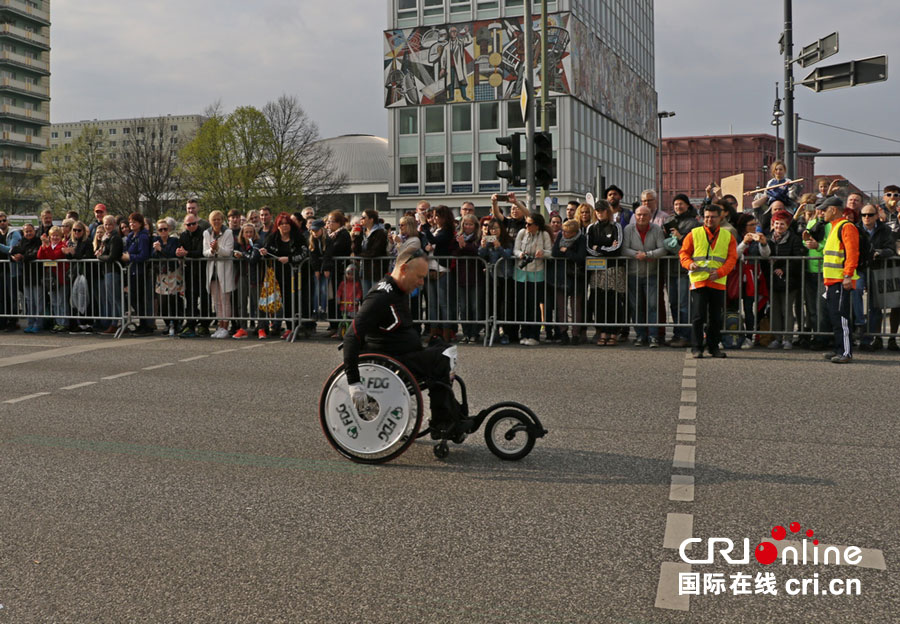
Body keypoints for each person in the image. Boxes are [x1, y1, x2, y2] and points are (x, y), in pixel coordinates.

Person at [343, 246, 461, 433]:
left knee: (441, 344)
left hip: (403, 354)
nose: (422, 283)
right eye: (419, 277)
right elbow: (352, 335)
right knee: (443, 357)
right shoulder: (380, 298)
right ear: (404, 269)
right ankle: (443, 421)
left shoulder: (399, 291)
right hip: (392, 362)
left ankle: (449, 413)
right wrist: (354, 382)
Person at [679, 204, 738, 358]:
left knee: (715, 317)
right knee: (698, 316)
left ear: (720, 217)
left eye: (712, 217)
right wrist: (689, 264)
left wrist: (720, 272)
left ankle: (713, 347)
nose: (709, 220)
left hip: (718, 281)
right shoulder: (694, 233)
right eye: (706, 217)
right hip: (699, 281)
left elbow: (732, 258)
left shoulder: (728, 236)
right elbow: (684, 253)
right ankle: (696, 347)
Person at [621, 205, 667, 347]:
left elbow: (663, 249)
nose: (641, 217)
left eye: (645, 215)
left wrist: (648, 255)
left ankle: (653, 336)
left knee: (652, 306)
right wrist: (637, 255)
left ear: (649, 216)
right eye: (639, 215)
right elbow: (624, 249)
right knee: (636, 306)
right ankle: (640, 335)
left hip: (651, 273)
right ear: (635, 216)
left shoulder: (656, 229)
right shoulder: (628, 229)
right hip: (633, 274)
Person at [821, 200, 859, 363]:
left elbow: (852, 253)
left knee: (841, 317)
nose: (822, 213)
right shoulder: (835, 227)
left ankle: (846, 352)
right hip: (832, 281)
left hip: (840, 280)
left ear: (833, 209)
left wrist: (847, 275)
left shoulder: (846, 226)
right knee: (835, 317)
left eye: (824, 210)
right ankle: (839, 348)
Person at [260, 212, 308, 339]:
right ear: (278, 226)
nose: (284, 226)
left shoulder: (298, 237)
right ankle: (289, 327)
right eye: (281, 224)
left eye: (287, 223)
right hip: (280, 275)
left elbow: (304, 253)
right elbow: (267, 251)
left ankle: (299, 326)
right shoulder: (273, 237)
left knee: (298, 301)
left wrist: (289, 259)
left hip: (297, 274)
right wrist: (264, 252)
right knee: (286, 302)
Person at [663, 194, 700, 348]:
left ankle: (686, 335)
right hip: (671, 269)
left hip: (684, 270)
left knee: (684, 304)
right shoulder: (669, 220)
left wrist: (680, 237)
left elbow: (695, 243)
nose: (678, 207)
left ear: (687, 205)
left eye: (681, 204)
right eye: (676, 204)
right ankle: (677, 334)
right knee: (673, 303)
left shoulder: (693, 223)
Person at [586, 200, 624, 346]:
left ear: (608, 211)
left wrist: (599, 248)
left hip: (614, 269)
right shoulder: (591, 227)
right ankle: (602, 332)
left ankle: (613, 333)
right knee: (598, 302)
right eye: (597, 210)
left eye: (602, 210)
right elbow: (589, 248)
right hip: (597, 270)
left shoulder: (616, 226)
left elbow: (617, 248)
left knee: (614, 302)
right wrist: (605, 249)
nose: (600, 213)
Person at [858, 204, 895, 350]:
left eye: (870, 214)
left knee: (875, 306)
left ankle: (870, 339)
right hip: (859, 269)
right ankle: (859, 329)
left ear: (876, 216)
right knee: (856, 294)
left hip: (877, 270)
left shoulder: (885, 229)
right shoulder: (855, 228)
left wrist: (880, 252)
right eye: (864, 215)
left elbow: (891, 249)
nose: (866, 217)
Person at [766, 210, 805, 349]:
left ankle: (788, 338)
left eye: (782, 224)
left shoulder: (794, 239)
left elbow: (797, 259)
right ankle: (777, 338)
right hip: (773, 279)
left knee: (787, 309)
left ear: (787, 225)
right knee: (775, 310)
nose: (779, 227)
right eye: (776, 223)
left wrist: (784, 269)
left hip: (789, 280)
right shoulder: (768, 238)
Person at [513, 213, 553, 346]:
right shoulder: (522, 233)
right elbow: (515, 249)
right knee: (522, 305)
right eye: (526, 223)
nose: (527, 226)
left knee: (534, 305)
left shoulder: (544, 235)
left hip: (537, 273)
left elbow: (550, 252)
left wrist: (543, 253)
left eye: (529, 224)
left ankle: (534, 335)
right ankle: (524, 333)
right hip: (521, 273)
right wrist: (520, 254)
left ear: (537, 225)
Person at [420, 205, 458, 342]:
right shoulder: (435, 229)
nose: (434, 218)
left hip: (442, 270)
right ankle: (433, 332)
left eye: (437, 216)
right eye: (433, 216)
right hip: (430, 269)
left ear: (444, 217)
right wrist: (426, 245)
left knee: (444, 304)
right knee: (431, 304)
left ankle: (446, 332)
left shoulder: (447, 231)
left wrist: (424, 224)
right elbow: (427, 240)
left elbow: (434, 240)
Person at [550, 218, 588, 344]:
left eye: (567, 232)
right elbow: (555, 253)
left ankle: (575, 334)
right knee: (561, 306)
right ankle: (563, 332)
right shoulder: (560, 236)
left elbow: (580, 257)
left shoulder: (581, 239)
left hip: (576, 276)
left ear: (574, 232)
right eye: (563, 231)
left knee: (576, 306)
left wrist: (566, 251)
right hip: (561, 276)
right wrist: (569, 255)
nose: (564, 233)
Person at [478, 218, 515, 344]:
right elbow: (481, 255)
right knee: (492, 305)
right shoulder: (488, 240)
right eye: (491, 229)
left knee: (505, 307)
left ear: (501, 229)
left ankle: (506, 333)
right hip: (492, 277)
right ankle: (491, 332)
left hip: (505, 277)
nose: (493, 231)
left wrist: (498, 247)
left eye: (496, 228)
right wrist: (483, 246)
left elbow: (508, 255)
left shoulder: (508, 241)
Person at [176, 214, 211, 337]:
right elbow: (180, 249)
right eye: (188, 224)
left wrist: (187, 253)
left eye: (193, 223)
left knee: (204, 298)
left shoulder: (204, 233)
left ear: (197, 223)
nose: (191, 226)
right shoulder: (183, 235)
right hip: (189, 271)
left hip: (202, 270)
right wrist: (179, 252)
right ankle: (190, 324)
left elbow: (202, 251)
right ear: (185, 225)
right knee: (190, 298)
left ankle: (204, 325)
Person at [203, 210, 236, 339]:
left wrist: (217, 248)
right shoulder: (206, 233)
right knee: (216, 301)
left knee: (225, 300)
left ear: (222, 220)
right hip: (212, 271)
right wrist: (212, 250)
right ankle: (220, 326)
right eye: (214, 219)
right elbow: (205, 252)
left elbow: (228, 252)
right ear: (210, 221)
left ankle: (225, 326)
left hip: (224, 270)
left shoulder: (228, 232)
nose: (216, 222)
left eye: (218, 219)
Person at [122, 212, 155, 335]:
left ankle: (145, 325)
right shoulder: (131, 236)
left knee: (140, 299)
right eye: (130, 222)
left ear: (140, 223)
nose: (131, 224)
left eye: (134, 222)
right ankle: (142, 323)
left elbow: (144, 255)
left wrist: (130, 257)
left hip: (140, 271)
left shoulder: (143, 237)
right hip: (132, 271)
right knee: (133, 298)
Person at [454, 213, 483, 343]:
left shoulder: (479, 237)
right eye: (466, 224)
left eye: (471, 224)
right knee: (464, 307)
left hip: (476, 277)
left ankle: (474, 333)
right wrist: (461, 246)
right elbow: (454, 252)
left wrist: (465, 246)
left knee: (475, 306)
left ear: (475, 225)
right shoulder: (458, 237)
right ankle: (466, 333)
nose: (468, 226)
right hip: (462, 277)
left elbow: (478, 251)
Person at [63, 220, 96, 333]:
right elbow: (70, 258)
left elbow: (88, 256)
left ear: (83, 231)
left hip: (85, 273)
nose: (76, 232)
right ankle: (77, 323)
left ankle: (88, 323)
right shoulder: (70, 242)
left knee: (85, 297)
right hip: (74, 273)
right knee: (74, 298)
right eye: (74, 230)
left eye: (79, 230)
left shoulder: (87, 242)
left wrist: (74, 253)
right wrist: (68, 253)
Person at [152, 219, 183, 336]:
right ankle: (167, 323)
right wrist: (156, 250)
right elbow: (152, 256)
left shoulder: (174, 240)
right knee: (162, 301)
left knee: (174, 300)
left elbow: (172, 254)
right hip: (161, 274)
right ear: (158, 231)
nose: (163, 231)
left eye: (165, 229)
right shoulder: (155, 240)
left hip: (173, 273)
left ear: (169, 229)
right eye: (161, 229)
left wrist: (161, 249)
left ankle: (177, 323)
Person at [324, 210, 352, 338]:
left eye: (332, 221)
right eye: (328, 221)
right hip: (332, 270)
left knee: (338, 298)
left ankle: (339, 326)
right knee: (331, 298)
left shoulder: (343, 234)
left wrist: (326, 245)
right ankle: (333, 325)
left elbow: (335, 249)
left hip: (340, 271)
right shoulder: (329, 235)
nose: (329, 224)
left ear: (339, 223)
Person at [94, 215, 124, 334]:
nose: (107, 227)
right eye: (106, 224)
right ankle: (114, 323)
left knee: (116, 299)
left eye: (110, 224)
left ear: (114, 225)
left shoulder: (115, 238)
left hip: (113, 271)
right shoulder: (107, 237)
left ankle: (119, 323)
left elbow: (112, 256)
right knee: (112, 300)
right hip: (107, 272)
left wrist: (100, 257)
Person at [10, 224, 42, 332]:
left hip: (37, 275)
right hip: (26, 276)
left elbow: (36, 254)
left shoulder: (38, 241)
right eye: (26, 231)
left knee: (38, 301)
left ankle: (38, 323)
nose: (28, 233)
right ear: (23, 233)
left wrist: (23, 257)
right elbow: (13, 250)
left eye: (30, 231)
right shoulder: (22, 242)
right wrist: (14, 257)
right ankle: (30, 322)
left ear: (34, 231)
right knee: (29, 301)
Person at [37, 226, 69, 333]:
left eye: (57, 235)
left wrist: (47, 246)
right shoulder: (49, 245)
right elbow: (40, 256)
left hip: (60, 277)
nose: (55, 237)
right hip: (51, 278)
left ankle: (64, 323)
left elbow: (53, 256)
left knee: (61, 301)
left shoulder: (62, 245)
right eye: (53, 236)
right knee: (54, 301)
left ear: (61, 236)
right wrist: (43, 245)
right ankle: (58, 322)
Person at [351, 209, 389, 297]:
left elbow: (375, 252)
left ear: (371, 219)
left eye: (364, 217)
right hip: (364, 270)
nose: (361, 219)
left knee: (376, 296)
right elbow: (357, 251)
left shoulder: (380, 233)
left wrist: (359, 256)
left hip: (376, 270)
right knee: (366, 296)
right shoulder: (362, 232)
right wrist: (354, 238)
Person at [0, 210, 23, 331]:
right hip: (1, 270)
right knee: (2, 297)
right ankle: (3, 321)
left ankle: (13, 321)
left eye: (4, 220)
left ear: (7, 221)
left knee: (12, 297)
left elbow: (12, 249)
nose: (2, 223)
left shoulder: (14, 233)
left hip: (12, 270)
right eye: (0, 221)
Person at [308, 219, 330, 320]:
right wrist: (316, 270)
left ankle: (323, 310)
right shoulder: (312, 241)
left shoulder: (328, 240)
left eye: (316, 230)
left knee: (324, 289)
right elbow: (313, 256)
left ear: (322, 229)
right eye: (313, 231)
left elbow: (328, 255)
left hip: (325, 268)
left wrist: (326, 268)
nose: (314, 233)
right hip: (316, 269)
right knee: (316, 290)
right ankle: (315, 310)